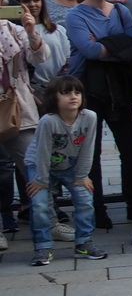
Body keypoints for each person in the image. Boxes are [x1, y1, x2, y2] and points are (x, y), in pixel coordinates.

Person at [65, 0, 132, 243]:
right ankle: (96, 208)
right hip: (88, 87)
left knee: (131, 148)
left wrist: (106, 45)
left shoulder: (120, 10)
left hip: (119, 85)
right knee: (91, 152)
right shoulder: (75, 15)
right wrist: (117, 46)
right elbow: (89, 51)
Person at [27, 77, 104, 266]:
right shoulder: (48, 121)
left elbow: (88, 149)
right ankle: (43, 247)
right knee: (40, 205)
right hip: (39, 165)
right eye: (66, 93)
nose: (73, 97)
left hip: (71, 164)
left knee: (85, 200)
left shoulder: (90, 117)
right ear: (54, 98)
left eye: (77, 92)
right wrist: (41, 180)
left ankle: (84, 243)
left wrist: (82, 176)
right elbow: (43, 152)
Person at [0, 0, 47, 247]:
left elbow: (40, 56)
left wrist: (31, 31)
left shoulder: (13, 29)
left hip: (17, 109)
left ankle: (47, 224)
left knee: (34, 167)